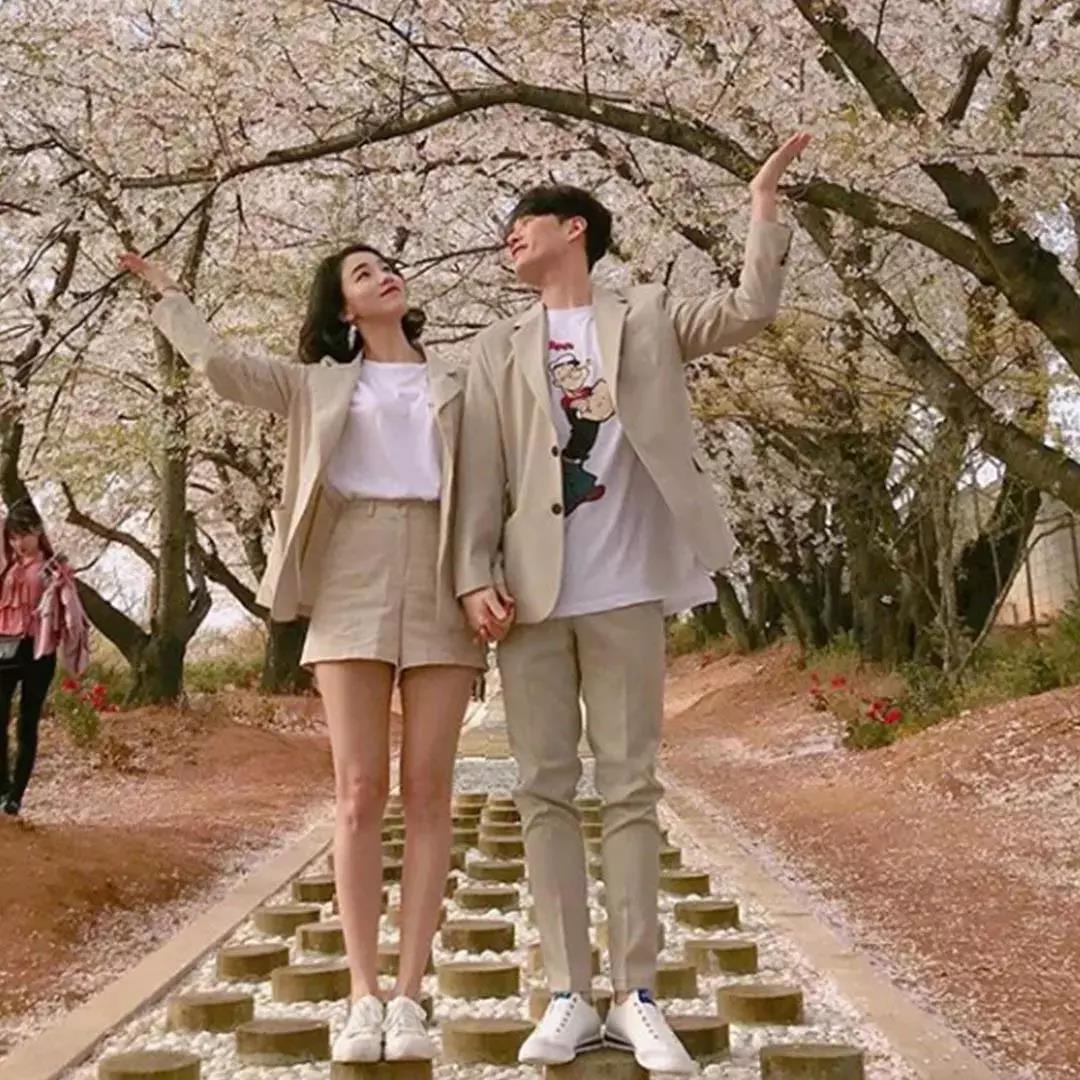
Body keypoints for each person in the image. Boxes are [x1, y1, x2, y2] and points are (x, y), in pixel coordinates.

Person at [455, 132, 811, 1072]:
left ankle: (638, 994)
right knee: (542, 788)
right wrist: (472, 572)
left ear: (573, 229)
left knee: (630, 788)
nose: (509, 238)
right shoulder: (496, 347)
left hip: (627, 588)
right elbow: (481, 467)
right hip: (532, 597)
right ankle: (569, 994)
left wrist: (762, 204)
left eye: (522, 222)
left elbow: (751, 309)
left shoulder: (647, 315)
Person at [119, 245, 487, 1065]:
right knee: (359, 791)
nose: (385, 274)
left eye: (388, 264)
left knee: (430, 791)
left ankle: (411, 994)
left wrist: (483, 578)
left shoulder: (460, 381)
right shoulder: (316, 383)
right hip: (352, 567)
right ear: (344, 309)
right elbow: (221, 369)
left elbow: (492, 483)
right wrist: (170, 296)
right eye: (363, 273)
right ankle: (363, 994)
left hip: (441, 567)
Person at [0, 500, 90, 817]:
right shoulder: (6, 566)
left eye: (23, 534)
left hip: (38, 651)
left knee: (27, 723)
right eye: (12, 537)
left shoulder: (53, 568)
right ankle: (2, 786)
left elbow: (71, 613)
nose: (18, 543)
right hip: (5, 648)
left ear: (38, 531)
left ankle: (15, 797)